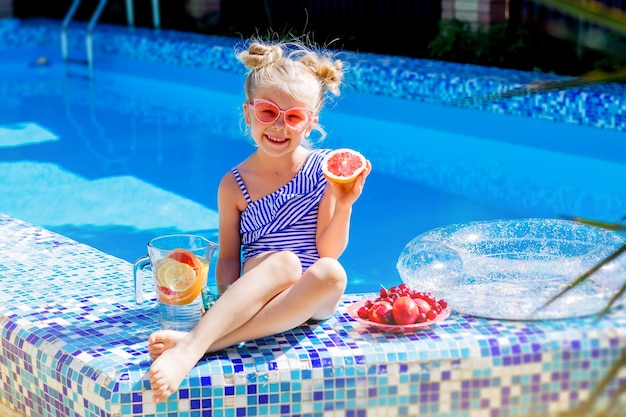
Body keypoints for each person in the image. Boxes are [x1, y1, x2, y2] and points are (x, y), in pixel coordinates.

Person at [146, 37, 372, 403]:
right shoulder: (233, 184)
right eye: (268, 112)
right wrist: (222, 303)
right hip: (260, 286)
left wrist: (344, 203)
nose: (280, 126)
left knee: (332, 272)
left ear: (311, 123)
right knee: (284, 261)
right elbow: (230, 256)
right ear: (249, 113)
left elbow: (327, 250)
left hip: (308, 297)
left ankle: (197, 345)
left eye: (294, 117)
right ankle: (196, 347)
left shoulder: (324, 171)